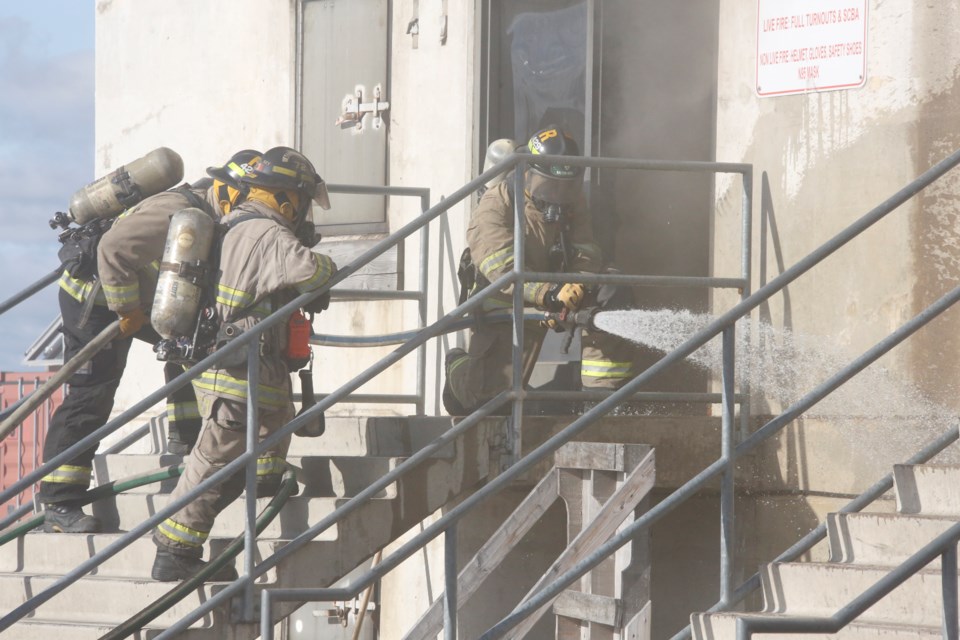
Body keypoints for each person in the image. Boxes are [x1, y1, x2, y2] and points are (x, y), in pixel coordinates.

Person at [38, 149, 261, 534]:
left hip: (132, 297)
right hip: (94, 298)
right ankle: (59, 501)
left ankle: (184, 441)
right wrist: (128, 312)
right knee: (92, 391)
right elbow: (113, 251)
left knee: (189, 343)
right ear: (228, 191)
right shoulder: (177, 212)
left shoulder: (209, 218)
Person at [151, 146, 336, 582]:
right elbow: (312, 272)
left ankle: (266, 480)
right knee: (215, 460)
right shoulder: (268, 234)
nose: (304, 212)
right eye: (303, 201)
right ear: (287, 197)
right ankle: (173, 548)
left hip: (244, 364)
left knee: (265, 430)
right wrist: (325, 263)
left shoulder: (233, 224)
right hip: (237, 370)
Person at [443, 126, 636, 415]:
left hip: (558, 291)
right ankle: (457, 367)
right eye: (549, 185)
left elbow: (587, 250)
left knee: (613, 288)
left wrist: (577, 285)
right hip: (507, 300)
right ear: (527, 174)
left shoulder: (573, 200)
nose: (559, 194)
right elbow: (502, 268)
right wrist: (548, 295)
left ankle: (602, 401)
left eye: (567, 186)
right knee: (490, 405)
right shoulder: (496, 205)